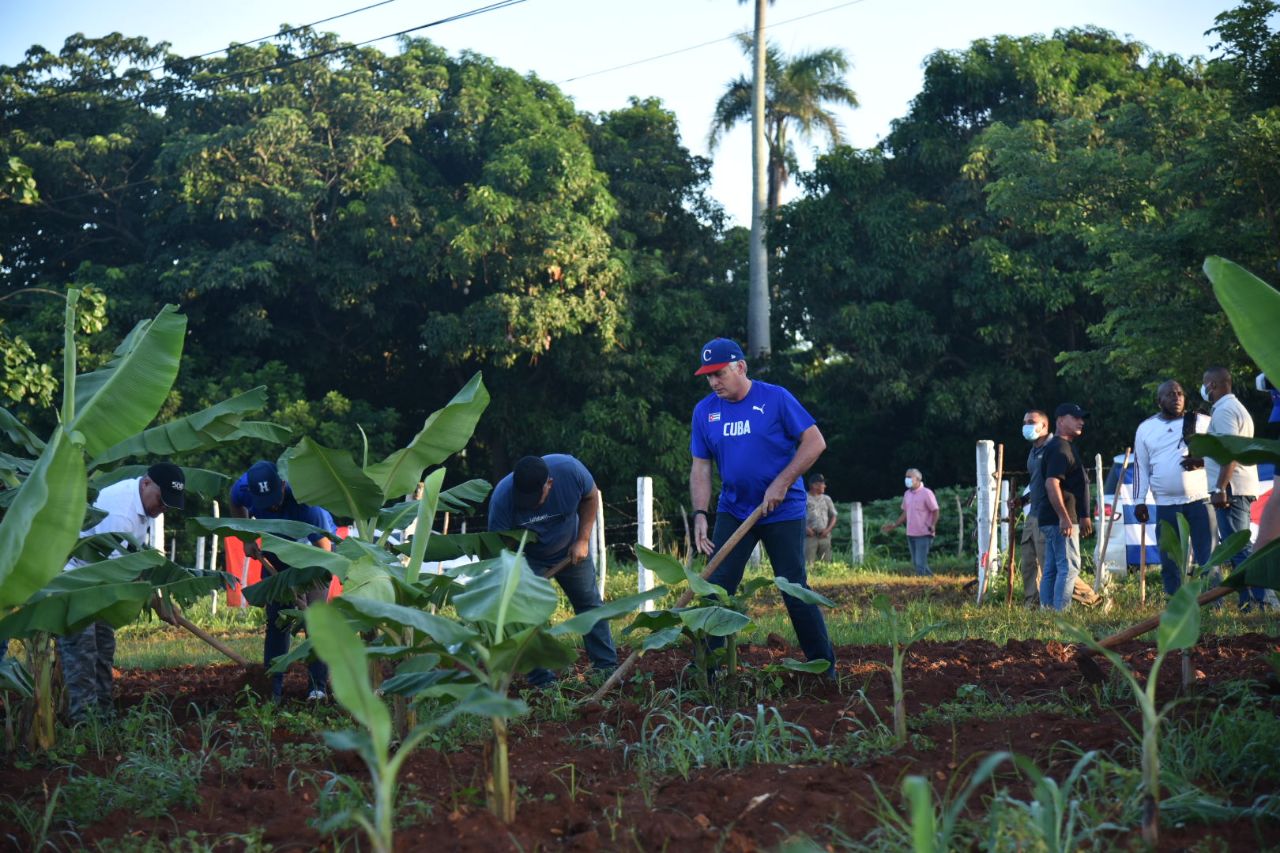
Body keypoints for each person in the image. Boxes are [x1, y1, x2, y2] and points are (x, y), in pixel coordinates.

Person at [690, 338, 835, 673]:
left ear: (741, 367)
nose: (714, 382)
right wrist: (700, 513)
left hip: (782, 509)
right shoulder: (705, 411)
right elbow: (701, 466)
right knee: (715, 586)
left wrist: (781, 483)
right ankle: (707, 669)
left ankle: (822, 667)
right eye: (708, 376)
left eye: (720, 373)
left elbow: (815, 443)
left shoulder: (775, 398)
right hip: (734, 508)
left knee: (793, 586)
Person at [59, 462, 186, 721]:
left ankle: (103, 716)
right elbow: (118, 571)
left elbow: (134, 560)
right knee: (83, 650)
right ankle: (83, 723)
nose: (161, 511)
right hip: (75, 579)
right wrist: (154, 601)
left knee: (104, 646)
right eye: (161, 502)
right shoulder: (121, 511)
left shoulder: (144, 507)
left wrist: (161, 598)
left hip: (101, 582)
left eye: (167, 507)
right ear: (146, 483)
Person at [488, 454, 616, 687]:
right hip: (530, 558)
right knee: (528, 615)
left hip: (570, 551)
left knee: (589, 604)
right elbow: (500, 547)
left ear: (549, 484)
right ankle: (541, 680)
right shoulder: (503, 498)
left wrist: (583, 540)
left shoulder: (570, 471)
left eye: (534, 499)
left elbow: (591, 497)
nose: (528, 504)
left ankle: (606, 667)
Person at [230, 460, 335, 701]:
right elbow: (234, 501)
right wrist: (246, 537)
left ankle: (317, 688)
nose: (272, 507)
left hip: (313, 555)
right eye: (266, 504)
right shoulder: (244, 488)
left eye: (275, 500)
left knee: (315, 620)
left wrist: (305, 586)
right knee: (278, 621)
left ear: (284, 485)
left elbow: (325, 552)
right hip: (275, 552)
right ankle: (272, 689)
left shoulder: (307, 507)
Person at [1132, 381, 1214, 595]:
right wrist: (1139, 501)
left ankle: (1214, 604)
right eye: (1170, 395)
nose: (1176, 398)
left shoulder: (1202, 421)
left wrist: (1201, 461)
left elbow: (1221, 454)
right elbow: (1140, 466)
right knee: (1170, 559)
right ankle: (1174, 601)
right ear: (1160, 401)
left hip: (1201, 500)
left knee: (1208, 557)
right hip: (1166, 505)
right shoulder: (1146, 428)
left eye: (1180, 393)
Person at [1203, 367, 1266, 609]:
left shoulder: (1225, 410)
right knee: (1238, 546)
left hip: (1231, 489)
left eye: (1205, 384)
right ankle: (1252, 601)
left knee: (1238, 547)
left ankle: (1260, 601)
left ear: (1213, 385)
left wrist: (1220, 487)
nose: (1204, 389)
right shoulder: (1232, 408)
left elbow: (1231, 451)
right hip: (1235, 486)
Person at [1036, 404, 1094, 610]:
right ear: (1060, 420)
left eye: (1082, 418)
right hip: (1060, 519)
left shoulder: (1063, 446)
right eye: (1075, 417)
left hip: (1054, 518)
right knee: (1069, 567)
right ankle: (1061, 614)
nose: (1081, 421)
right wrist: (1064, 517)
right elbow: (1052, 483)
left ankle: (1048, 612)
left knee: (1052, 568)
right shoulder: (1060, 448)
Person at [1016, 410, 1050, 605]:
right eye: (1024, 422)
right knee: (1028, 563)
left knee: (1050, 565)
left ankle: (1091, 598)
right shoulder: (1033, 451)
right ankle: (1032, 605)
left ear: (1044, 426)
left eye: (1031, 421)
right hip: (1032, 512)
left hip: (1047, 514)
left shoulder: (1053, 448)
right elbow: (1038, 483)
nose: (1026, 425)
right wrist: (1024, 500)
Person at [881, 469, 939, 576]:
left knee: (920, 563)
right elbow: (905, 513)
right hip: (911, 533)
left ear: (917, 479)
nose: (907, 479)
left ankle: (924, 585)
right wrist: (894, 525)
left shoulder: (927, 493)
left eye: (909, 477)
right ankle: (932, 582)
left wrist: (933, 524)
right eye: (906, 477)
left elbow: (935, 510)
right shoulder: (907, 494)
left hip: (924, 533)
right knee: (917, 563)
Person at [804, 474, 838, 566]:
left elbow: (834, 516)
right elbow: (798, 516)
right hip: (809, 536)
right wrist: (806, 528)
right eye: (822, 484)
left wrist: (828, 530)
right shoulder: (804, 498)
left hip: (824, 535)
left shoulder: (827, 499)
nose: (824, 486)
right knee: (808, 563)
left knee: (826, 563)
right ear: (814, 485)